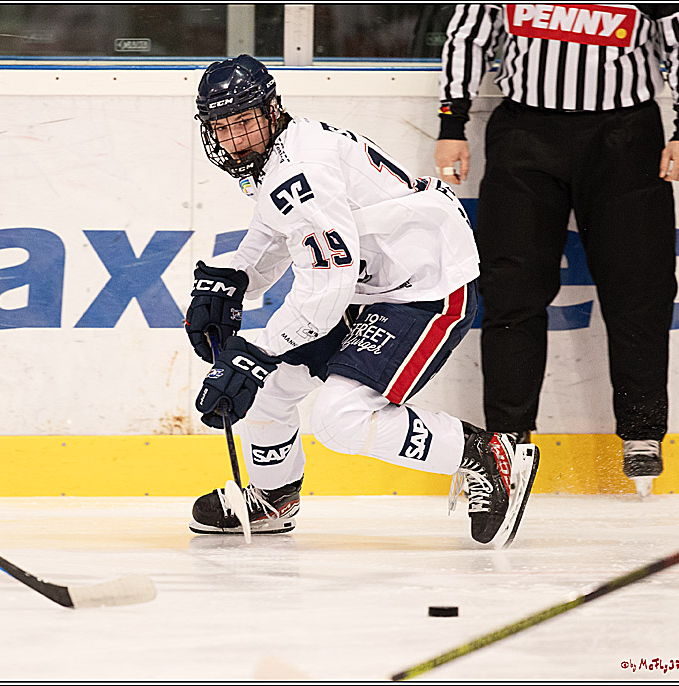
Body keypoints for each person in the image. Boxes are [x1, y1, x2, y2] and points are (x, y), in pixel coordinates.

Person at [185, 54, 539, 546]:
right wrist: (233, 280)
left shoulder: (297, 170)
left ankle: (484, 454)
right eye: (223, 127)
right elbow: (276, 231)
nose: (235, 138)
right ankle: (274, 498)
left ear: (270, 110)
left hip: (427, 287)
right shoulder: (282, 152)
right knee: (268, 385)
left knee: (340, 418)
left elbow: (329, 280)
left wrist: (259, 350)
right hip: (374, 287)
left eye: (244, 121)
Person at [434, 4, 679, 497]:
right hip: (524, 134)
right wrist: (453, 123)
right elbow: (468, 36)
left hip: (625, 136)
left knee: (640, 287)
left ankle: (641, 431)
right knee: (512, 288)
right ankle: (507, 439)